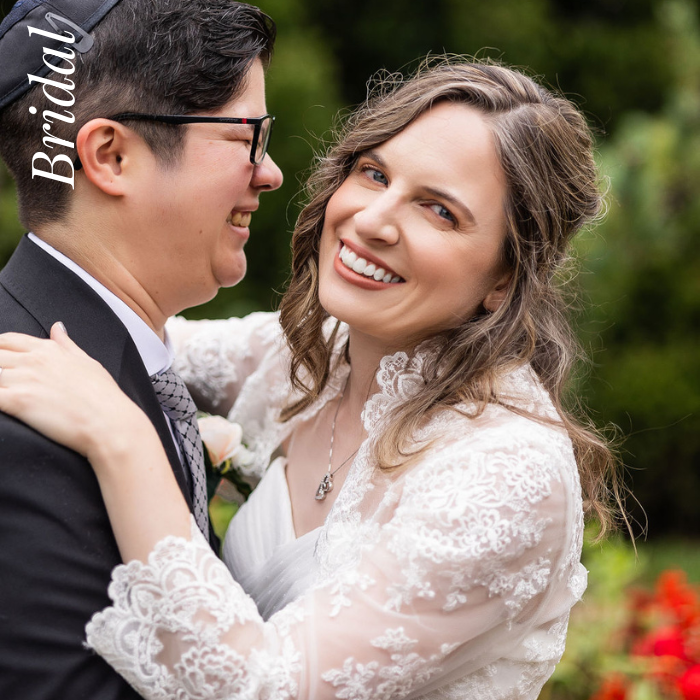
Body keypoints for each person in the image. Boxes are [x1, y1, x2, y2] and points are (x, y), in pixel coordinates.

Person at [0, 58, 622, 699]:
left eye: (439, 210)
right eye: (374, 174)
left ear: (505, 278)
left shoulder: (508, 473)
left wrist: (124, 441)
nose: (372, 220)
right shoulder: (306, 356)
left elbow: (264, 687)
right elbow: (125, 329)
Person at [0, 0, 281, 697]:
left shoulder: (111, 360)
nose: (270, 172)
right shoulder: (21, 417)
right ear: (111, 156)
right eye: (248, 137)